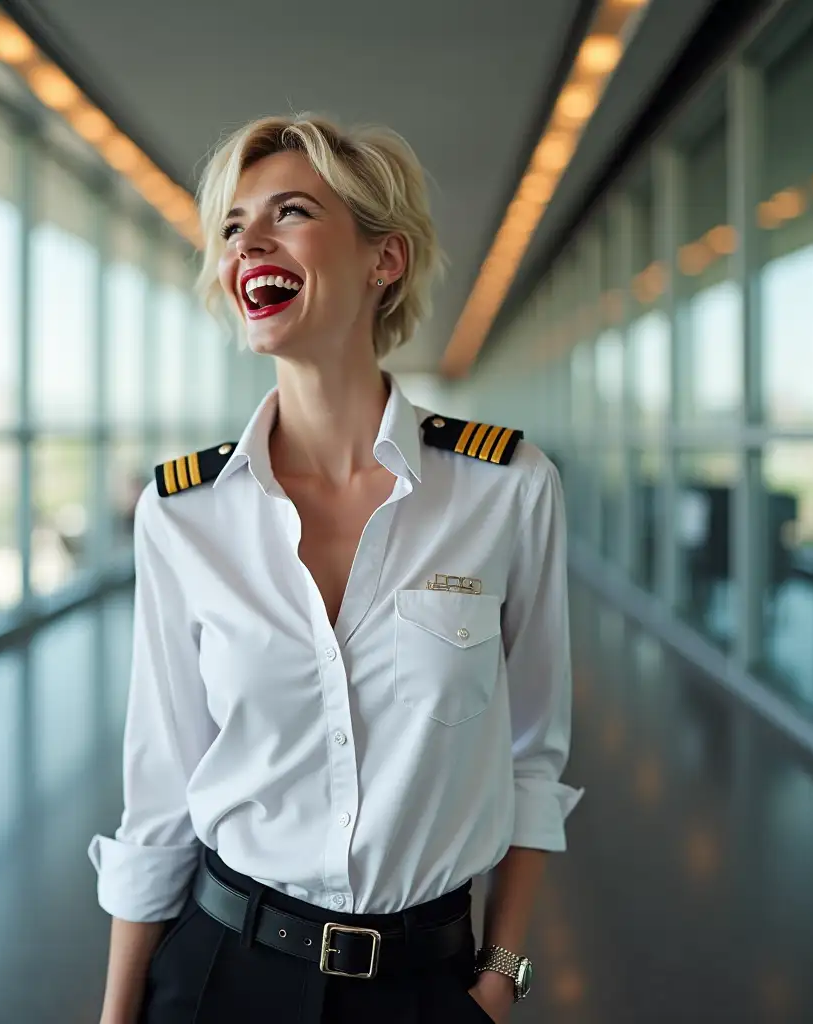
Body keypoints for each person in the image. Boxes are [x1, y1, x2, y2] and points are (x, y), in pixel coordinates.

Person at [88, 113, 583, 1024]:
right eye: (234, 227)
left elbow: (534, 759)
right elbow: (160, 785)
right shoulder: (183, 510)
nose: (249, 246)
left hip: (427, 986)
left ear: (382, 260)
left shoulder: (505, 489)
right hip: (218, 970)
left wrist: (498, 980)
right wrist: (120, 1013)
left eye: (291, 213)